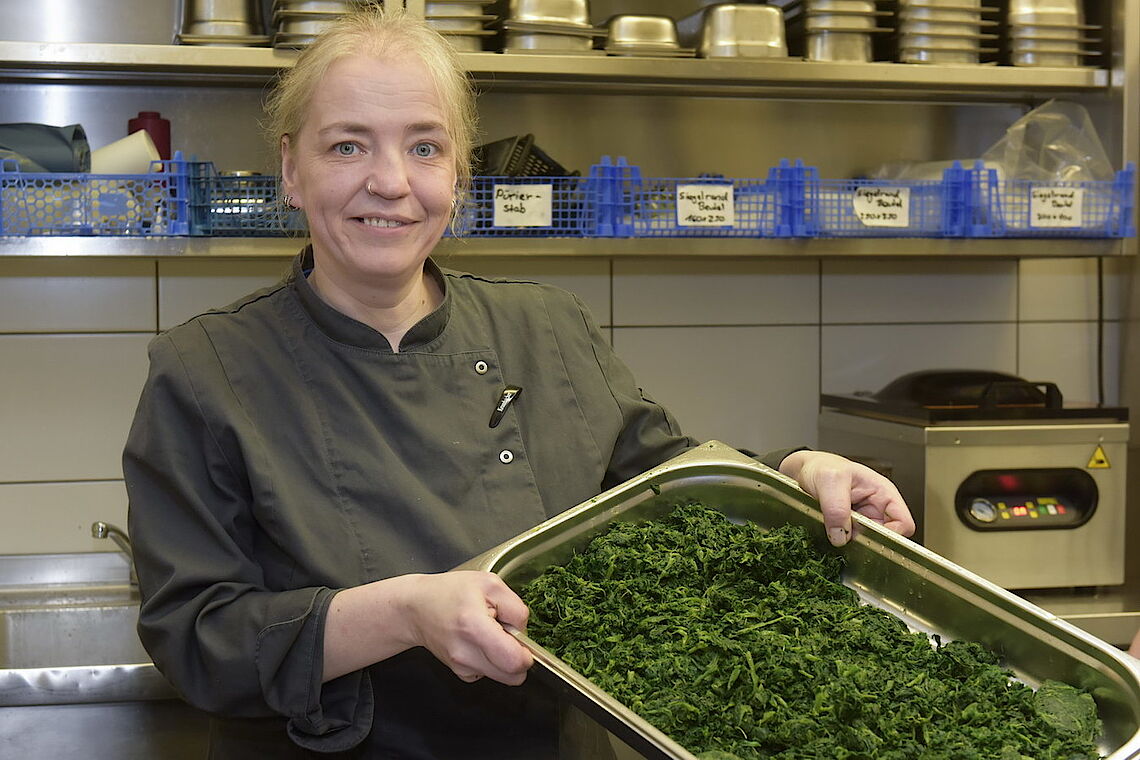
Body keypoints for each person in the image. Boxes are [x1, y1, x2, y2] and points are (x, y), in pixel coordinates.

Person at [122, 8, 915, 758]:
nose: (391, 182)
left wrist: (793, 476)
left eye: (425, 148)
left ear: (459, 175)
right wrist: (405, 613)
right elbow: (198, 639)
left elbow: (674, 490)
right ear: (292, 170)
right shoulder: (208, 370)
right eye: (348, 146)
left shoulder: (547, 328)